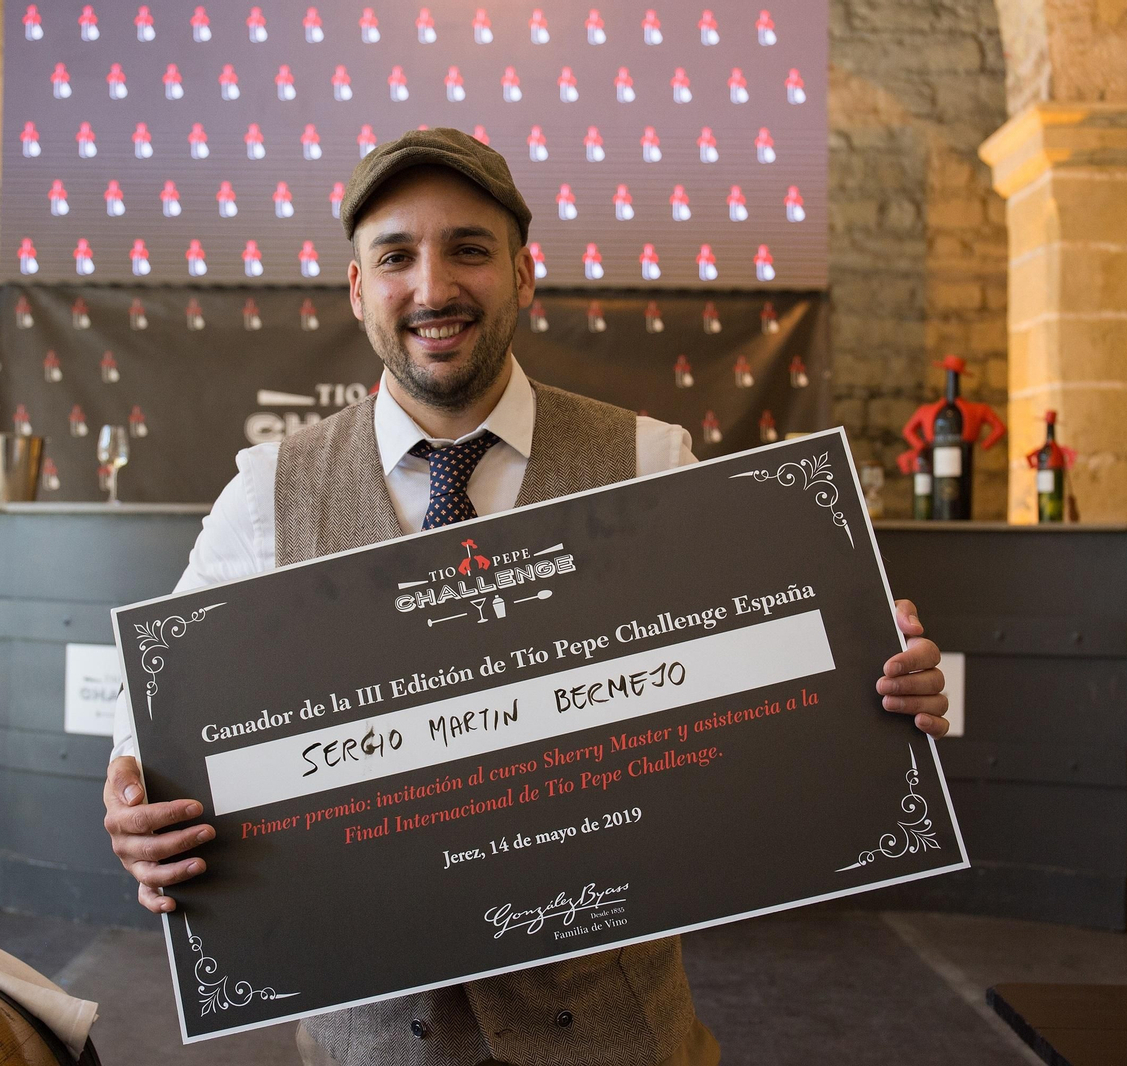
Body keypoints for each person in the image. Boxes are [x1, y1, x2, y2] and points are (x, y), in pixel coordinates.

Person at [103, 128, 950, 1066]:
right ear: (357, 289)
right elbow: (156, 725)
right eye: (396, 256)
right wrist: (137, 807)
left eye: (469, 249)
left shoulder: (650, 462)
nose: (433, 288)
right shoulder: (265, 493)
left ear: (522, 275)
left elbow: (765, 692)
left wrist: (873, 681)